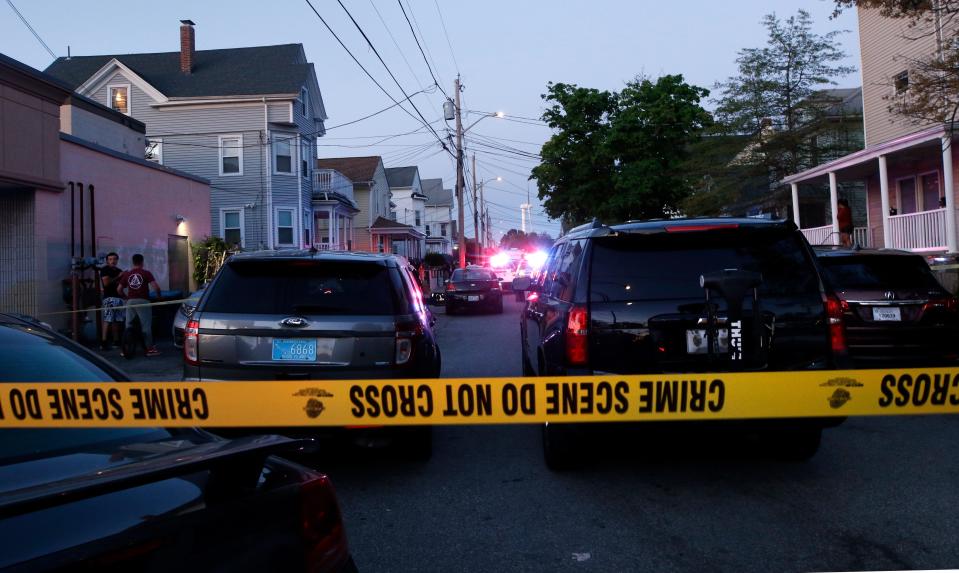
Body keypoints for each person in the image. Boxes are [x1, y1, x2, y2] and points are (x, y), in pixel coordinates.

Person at [118, 253, 162, 357]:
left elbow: (119, 289)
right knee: (146, 326)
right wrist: (159, 297)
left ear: (133, 262)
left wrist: (125, 297)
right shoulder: (146, 273)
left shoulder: (127, 274)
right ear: (142, 262)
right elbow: (156, 287)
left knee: (128, 325)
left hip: (130, 302)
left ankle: (125, 349)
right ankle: (150, 349)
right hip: (143, 301)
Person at [99, 252, 124, 351]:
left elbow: (121, 285)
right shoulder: (105, 269)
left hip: (118, 297)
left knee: (116, 320)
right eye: (110, 259)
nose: (112, 261)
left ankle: (116, 341)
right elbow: (106, 283)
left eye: (114, 259)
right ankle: (104, 342)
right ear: (107, 261)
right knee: (108, 319)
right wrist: (119, 277)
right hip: (109, 298)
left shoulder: (119, 270)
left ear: (117, 260)